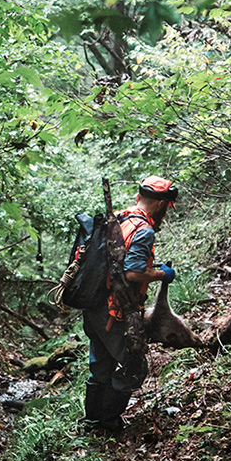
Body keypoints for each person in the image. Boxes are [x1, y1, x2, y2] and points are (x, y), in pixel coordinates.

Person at [82, 175, 179, 433]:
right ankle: (110, 423)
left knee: (101, 366)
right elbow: (133, 273)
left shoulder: (120, 219)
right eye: (165, 210)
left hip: (93, 306)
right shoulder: (143, 230)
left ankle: (93, 424)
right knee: (135, 366)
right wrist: (162, 275)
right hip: (114, 311)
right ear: (160, 205)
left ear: (138, 198)